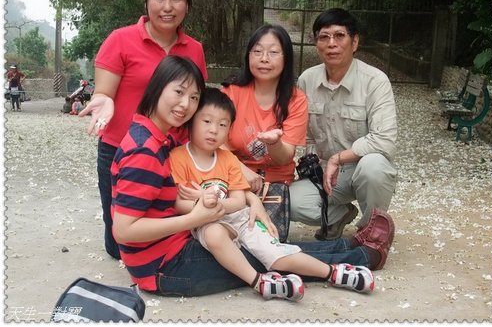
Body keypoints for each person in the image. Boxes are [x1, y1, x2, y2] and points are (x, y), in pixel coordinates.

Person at [111, 55, 395, 299]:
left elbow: (210, 171)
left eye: (194, 97)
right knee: (266, 259)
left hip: (179, 244)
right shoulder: (144, 151)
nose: (185, 105)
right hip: (164, 267)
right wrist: (194, 219)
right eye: (179, 92)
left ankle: (349, 246)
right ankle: (361, 257)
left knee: (269, 248)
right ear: (158, 87)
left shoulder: (161, 136)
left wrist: (249, 199)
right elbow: (123, 231)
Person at [170, 87, 374, 301]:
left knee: (276, 254)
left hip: (240, 219)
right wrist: (202, 206)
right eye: (207, 121)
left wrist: (215, 204)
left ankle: (333, 272)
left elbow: (239, 201)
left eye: (222, 125)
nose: (214, 130)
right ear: (191, 121)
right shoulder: (179, 157)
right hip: (204, 222)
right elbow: (178, 203)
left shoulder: (228, 159)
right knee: (213, 233)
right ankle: (260, 282)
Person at [79, 0, 208, 260]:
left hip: (170, 152)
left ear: (186, 4)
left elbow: (194, 101)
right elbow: (103, 92)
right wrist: (104, 101)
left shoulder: (195, 49)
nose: (167, 7)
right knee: (118, 247)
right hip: (122, 150)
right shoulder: (120, 40)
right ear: (146, 1)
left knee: (170, 227)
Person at [290, 8, 398, 242]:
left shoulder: (375, 81)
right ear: (316, 43)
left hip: (362, 167)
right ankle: (339, 215)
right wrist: (314, 164)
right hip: (327, 173)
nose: (332, 44)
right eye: (324, 37)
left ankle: (372, 231)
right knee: (291, 202)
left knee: (374, 167)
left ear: (355, 41)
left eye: (340, 36)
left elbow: (384, 140)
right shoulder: (307, 79)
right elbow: (306, 135)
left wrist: (339, 158)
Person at [221, 24, 307, 193]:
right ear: (248, 56)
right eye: (257, 51)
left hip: (276, 183)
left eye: (273, 52)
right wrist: (240, 170)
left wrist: (274, 143)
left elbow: (284, 157)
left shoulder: (296, 99)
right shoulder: (230, 92)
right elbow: (213, 142)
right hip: (233, 176)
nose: (264, 59)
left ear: (286, 58)